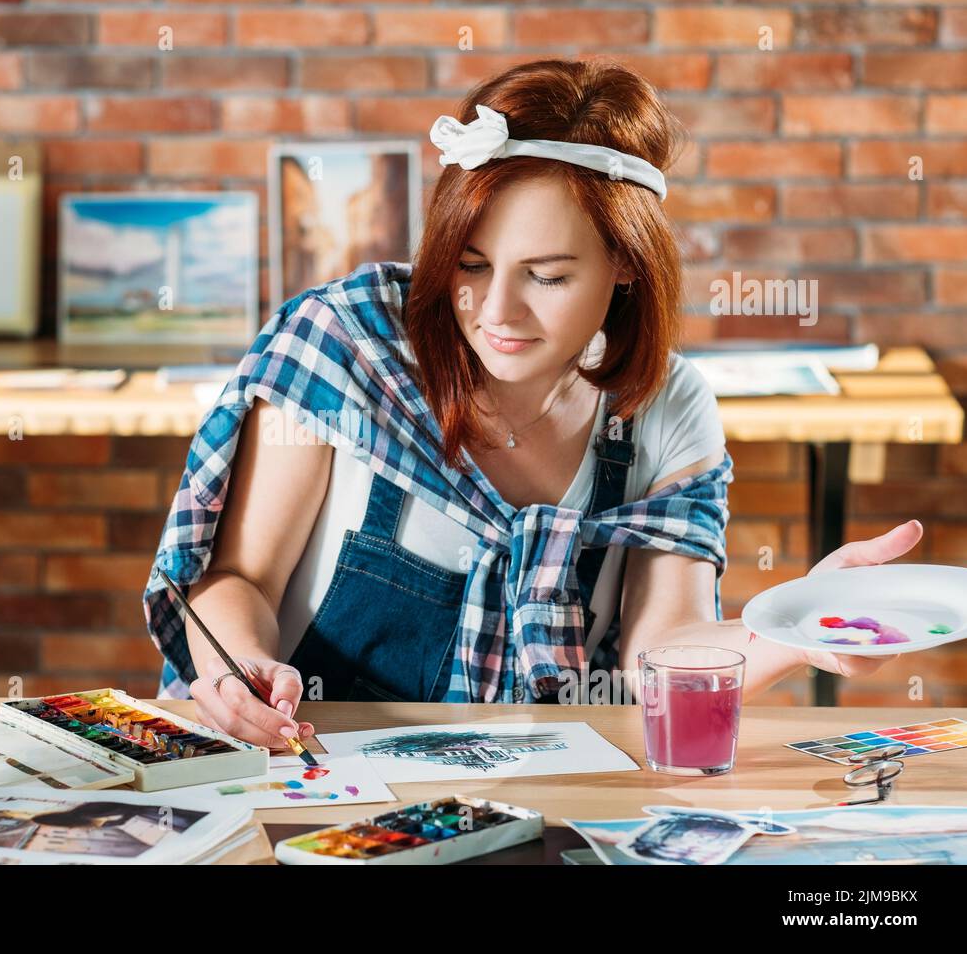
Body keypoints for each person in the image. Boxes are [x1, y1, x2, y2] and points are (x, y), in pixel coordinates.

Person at [143, 59, 917, 750]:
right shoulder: (346, 346)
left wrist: (799, 624)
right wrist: (241, 668)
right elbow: (237, 577)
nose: (496, 311)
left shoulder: (664, 407)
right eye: (470, 265)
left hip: (519, 797)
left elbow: (665, 658)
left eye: (546, 275)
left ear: (625, 265)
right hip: (300, 777)